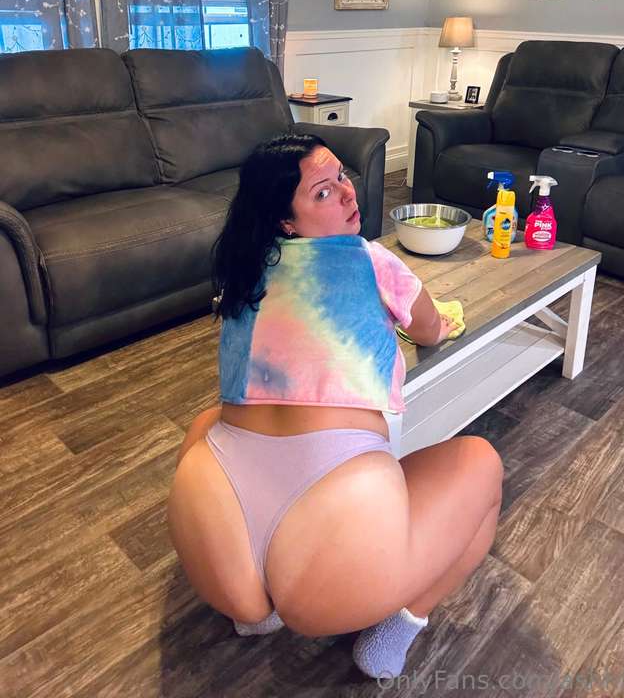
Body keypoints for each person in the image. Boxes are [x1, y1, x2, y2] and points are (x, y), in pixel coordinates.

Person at [166, 133, 503, 679]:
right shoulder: (371, 259)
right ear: (286, 221)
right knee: (482, 464)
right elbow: (429, 330)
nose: (349, 194)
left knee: (208, 419)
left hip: (214, 520)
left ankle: (254, 609)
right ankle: (398, 627)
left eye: (342, 177)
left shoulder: (244, 271)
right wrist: (436, 320)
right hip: (340, 525)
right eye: (322, 192)